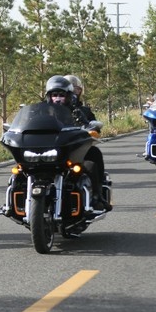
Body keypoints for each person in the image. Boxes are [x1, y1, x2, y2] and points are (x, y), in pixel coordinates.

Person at [44, 75, 109, 211]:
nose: (57, 98)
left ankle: (97, 196)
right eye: (54, 95)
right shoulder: (43, 111)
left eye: (61, 95)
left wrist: (87, 125)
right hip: (47, 150)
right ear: (49, 96)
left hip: (71, 150)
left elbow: (92, 126)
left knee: (93, 156)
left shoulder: (80, 111)